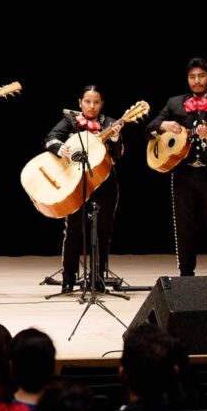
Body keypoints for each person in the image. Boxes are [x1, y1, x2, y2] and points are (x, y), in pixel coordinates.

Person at [145, 57, 207, 277]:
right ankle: (186, 274)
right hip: (182, 174)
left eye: (201, 76)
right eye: (192, 77)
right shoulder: (174, 103)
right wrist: (162, 124)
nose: (197, 81)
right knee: (184, 227)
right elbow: (149, 129)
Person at [44, 85, 124, 292]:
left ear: (102, 104)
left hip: (105, 183)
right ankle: (68, 278)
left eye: (96, 102)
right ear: (80, 103)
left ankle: (98, 277)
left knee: (103, 232)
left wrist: (114, 138)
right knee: (73, 231)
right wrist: (60, 148)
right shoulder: (70, 121)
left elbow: (116, 154)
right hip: (77, 183)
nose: (91, 106)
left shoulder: (110, 123)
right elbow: (50, 138)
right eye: (87, 102)